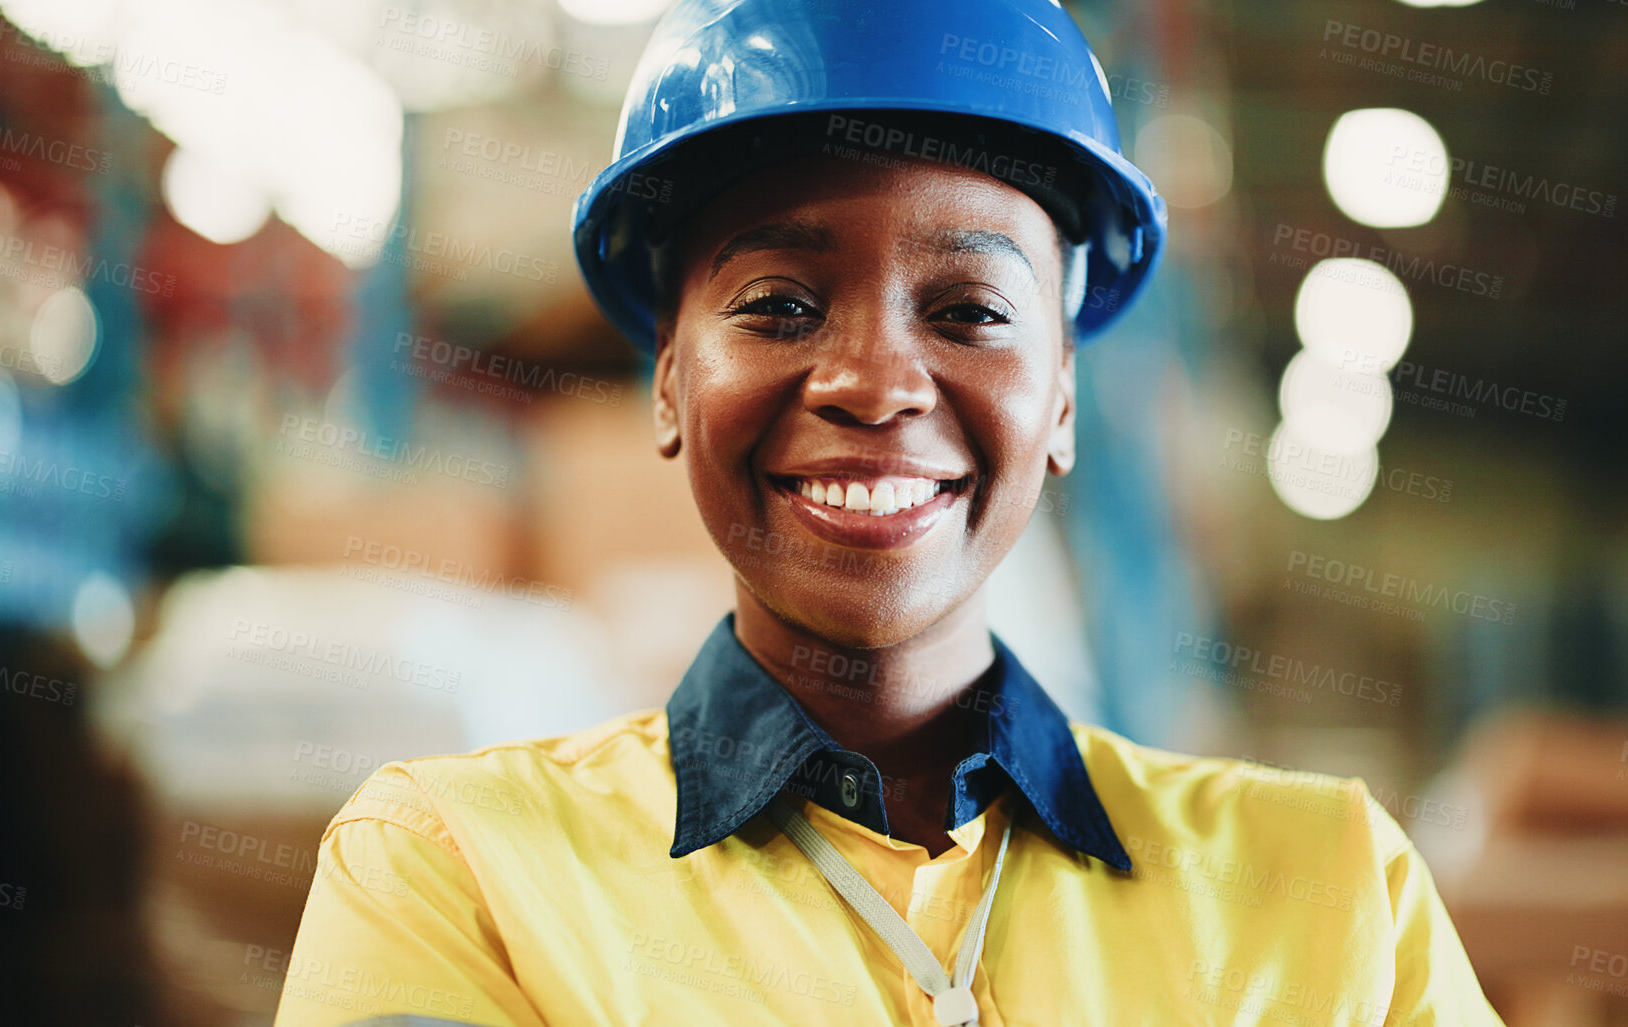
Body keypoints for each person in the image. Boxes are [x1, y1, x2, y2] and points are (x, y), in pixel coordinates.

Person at [274, 1, 1505, 1024]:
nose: (876, 382)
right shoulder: (452, 869)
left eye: (970, 310)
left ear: (1063, 397)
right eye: (779, 305)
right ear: (667, 379)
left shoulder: (1334, 891)